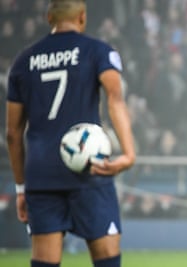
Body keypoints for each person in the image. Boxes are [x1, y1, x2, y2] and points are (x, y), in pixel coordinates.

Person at [5, 1, 136, 267]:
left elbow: (12, 133)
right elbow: (115, 100)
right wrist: (129, 153)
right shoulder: (97, 51)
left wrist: (21, 188)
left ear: (49, 17)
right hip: (89, 168)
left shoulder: (23, 61)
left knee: (45, 261)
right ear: (82, 17)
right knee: (107, 259)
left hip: (41, 174)